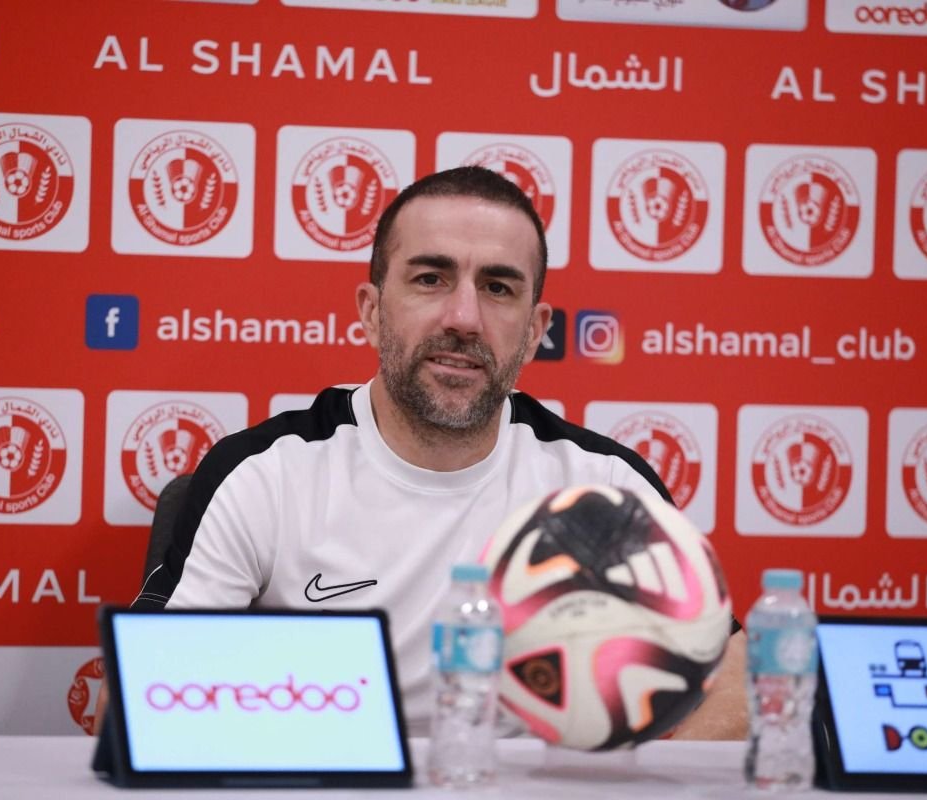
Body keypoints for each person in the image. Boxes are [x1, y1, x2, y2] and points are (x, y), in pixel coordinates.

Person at [110, 166, 746, 739]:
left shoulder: (604, 485)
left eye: (498, 288)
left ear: (534, 332)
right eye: (430, 279)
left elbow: (732, 674)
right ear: (371, 311)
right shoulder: (265, 473)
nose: (463, 317)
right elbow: (143, 694)